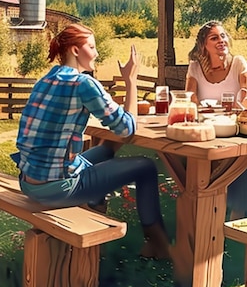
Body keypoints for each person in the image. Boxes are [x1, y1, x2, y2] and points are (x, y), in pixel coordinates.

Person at [12, 23, 172, 261]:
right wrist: (130, 81)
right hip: (57, 188)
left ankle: (95, 208)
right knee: (146, 167)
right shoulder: (82, 83)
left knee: (106, 149)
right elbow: (126, 128)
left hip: (29, 181)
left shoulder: (45, 80)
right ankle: (158, 246)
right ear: (76, 51)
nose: (96, 53)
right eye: (92, 46)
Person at [185, 21, 247, 219]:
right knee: (229, 158)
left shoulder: (238, 63)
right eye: (214, 38)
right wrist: (202, 110)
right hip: (208, 129)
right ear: (203, 46)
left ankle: (241, 212)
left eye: (223, 36)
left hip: (236, 126)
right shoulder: (195, 67)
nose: (221, 41)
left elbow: (246, 93)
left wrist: (233, 110)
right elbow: (190, 98)